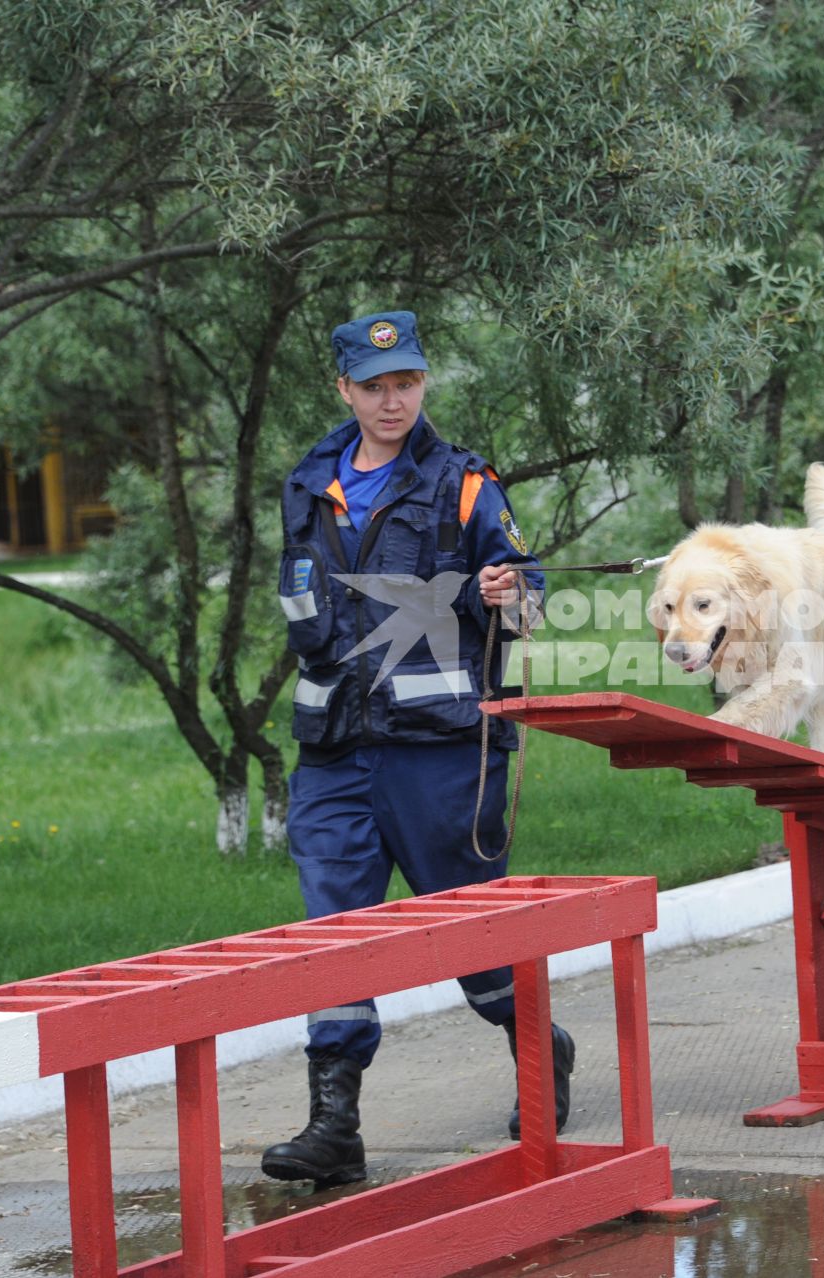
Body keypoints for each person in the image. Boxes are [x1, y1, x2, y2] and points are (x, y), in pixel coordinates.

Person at [261, 309, 569, 1188]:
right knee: (335, 932)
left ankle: (541, 1058)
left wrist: (511, 591)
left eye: (407, 384)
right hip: (332, 752)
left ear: (423, 384)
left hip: (441, 751)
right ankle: (334, 1124)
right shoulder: (307, 482)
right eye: (375, 386)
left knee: (470, 929)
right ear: (345, 390)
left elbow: (534, 605)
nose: (393, 400)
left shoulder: (465, 484)